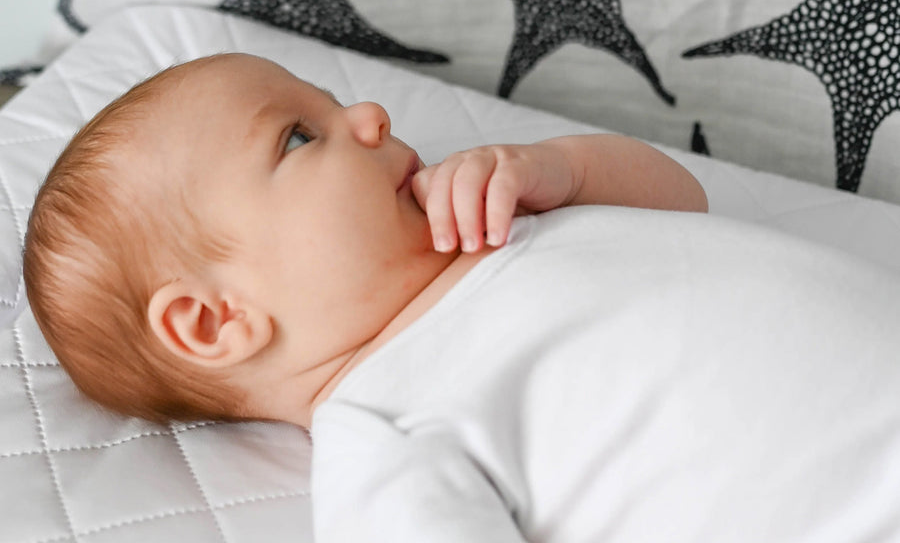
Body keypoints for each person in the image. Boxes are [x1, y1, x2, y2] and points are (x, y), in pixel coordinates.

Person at [22, 53, 900, 541]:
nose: (368, 115)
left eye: (330, 102)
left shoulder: (493, 219)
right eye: (300, 135)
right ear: (217, 320)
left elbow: (684, 198)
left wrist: (558, 166)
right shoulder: (385, 430)